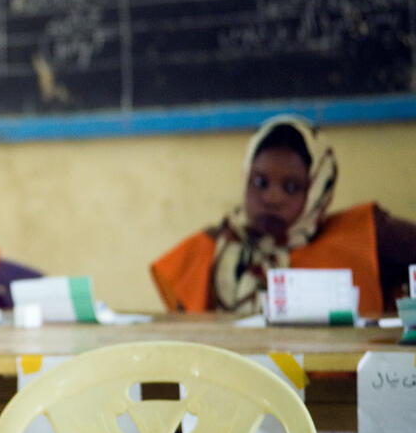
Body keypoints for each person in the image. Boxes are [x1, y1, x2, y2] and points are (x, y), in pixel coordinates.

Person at [151, 114, 416, 315]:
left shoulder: (370, 237)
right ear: (245, 177)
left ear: (318, 191)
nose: (271, 198)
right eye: (260, 182)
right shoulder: (210, 250)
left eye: (291, 187)